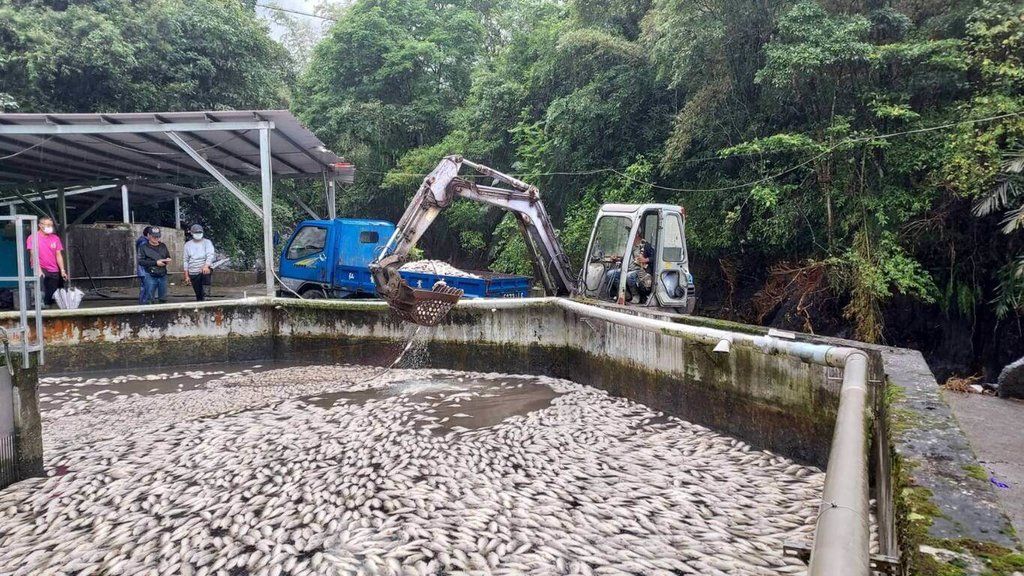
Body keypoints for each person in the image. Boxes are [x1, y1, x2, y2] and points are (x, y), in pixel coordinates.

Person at [25, 217, 68, 307]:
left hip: (53, 268)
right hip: (40, 266)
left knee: (51, 292)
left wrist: (62, 270)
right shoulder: (32, 237)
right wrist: (39, 269)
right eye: (48, 225)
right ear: (40, 225)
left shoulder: (55, 238)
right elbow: (33, 255)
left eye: (51, 225)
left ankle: (47, 308)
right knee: (41, 290)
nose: (50, 227)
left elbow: (58, 255)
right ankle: (39, 308)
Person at [137, 227, 171, 304]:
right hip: (150, 275)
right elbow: (141, 262)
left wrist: (167, 260)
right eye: (154, 236)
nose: (156, 238)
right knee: (149, 298)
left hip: (163, 274)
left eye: (158, 236)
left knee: (163, 298)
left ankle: (163, 314)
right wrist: (156, 263)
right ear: (148, 235)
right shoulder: (143, 247)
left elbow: (167, 256)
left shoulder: (163, 246)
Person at [183, 224, 215, 302]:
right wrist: (186, 276)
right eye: (196, 233)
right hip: (193, 271)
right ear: (192, 233)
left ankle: (207, 297)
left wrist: (206, 266)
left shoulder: (207, 242)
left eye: (200, 233)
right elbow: (185, 260)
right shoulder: (187, 245)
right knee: (199, 294)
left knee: (206, 274)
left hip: (204, 269)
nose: (198, 234)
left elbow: (210, 255)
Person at [136, 226, 152, 305]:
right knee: (146, 288)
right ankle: (144, 305)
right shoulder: (144, 243)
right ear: (148, 234)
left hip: (142, 269)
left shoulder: (141, 241)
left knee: (145, 287)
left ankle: (143, 304)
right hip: (145, 270)